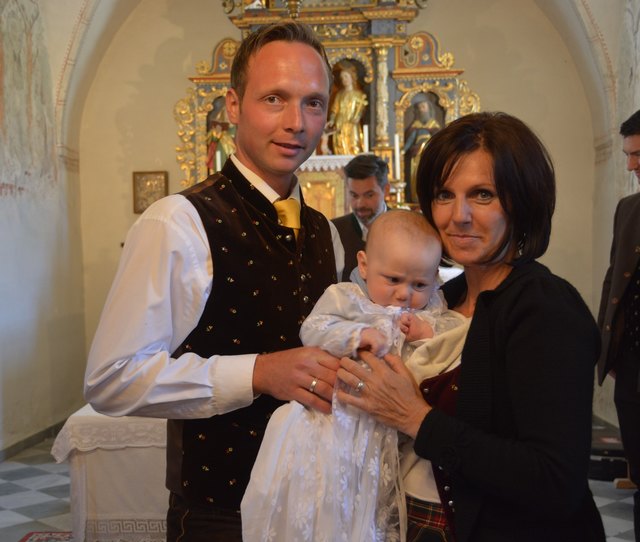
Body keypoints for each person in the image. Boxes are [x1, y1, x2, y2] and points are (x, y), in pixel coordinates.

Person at [84, 21, 345, 542]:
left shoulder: (326, 234)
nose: (296, 122)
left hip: (316, 503)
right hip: (221, 513)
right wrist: (258, 372)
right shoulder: (178, 222)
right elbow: (112, 378)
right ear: (233, 106)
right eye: (275, 98)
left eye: (313, 103)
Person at [337, 111, 606, 542]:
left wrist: (416, 418)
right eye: (444, 194)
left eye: (482, 195)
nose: (457, 216)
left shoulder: (545, 307)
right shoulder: (442, 298)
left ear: (522, 200)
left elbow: (556, 481)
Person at [241, 209, 467, 542]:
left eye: (420, 284)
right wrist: (356, 335)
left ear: (436, 278)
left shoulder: (432, 307)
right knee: (330, 499)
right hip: (337, 423)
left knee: (373, 508)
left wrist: (427, 332)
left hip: (387, 434)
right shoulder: (347, 298)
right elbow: (314, 329)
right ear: (364, 265)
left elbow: (453, 337)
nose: (405, 294)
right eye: (393, 280)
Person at [597, 109, 640, 541]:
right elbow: (614, 280)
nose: (631, 165)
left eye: (638, 154)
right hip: (631, 362)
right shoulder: (628, 209)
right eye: (628, 154)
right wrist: (607, 343)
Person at [332, 153, 390, 281]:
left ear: (386, 190)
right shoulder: (333, 230)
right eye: (354, 195)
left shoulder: (406, 228)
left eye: (369, 195)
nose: (360, 204)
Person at [403, 98, 441, 202]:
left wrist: (425, 146)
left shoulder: (434, 125)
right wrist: (404, 150)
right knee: (415, 175)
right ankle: (416, 197)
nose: (421, 110)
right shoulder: (415, 126)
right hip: (416, 156)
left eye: (423, 107)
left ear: (429, 109)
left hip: (430, 155)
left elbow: (438, 141)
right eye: (419, 108)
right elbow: (410, 141)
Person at [326, 61, 368, 155]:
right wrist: (332, 120)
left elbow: (361, 108)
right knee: (340, 145)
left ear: (352, 77)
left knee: (354, 144)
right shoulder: (339, 95)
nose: (344, 80)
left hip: (352, 124)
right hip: (339, 124)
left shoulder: (358, 95)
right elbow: (334, 109)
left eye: (346, 77)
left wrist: (358, 116)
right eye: (342, 78)